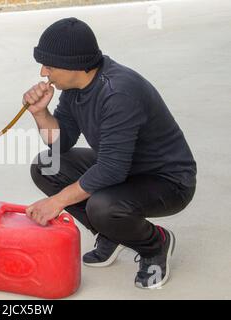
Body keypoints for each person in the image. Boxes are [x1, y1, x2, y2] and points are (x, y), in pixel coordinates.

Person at [24, 17, 196, 289]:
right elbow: (61, 143)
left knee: (102, 206)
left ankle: (155, 244)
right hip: (124, 167)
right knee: (47, 165)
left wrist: (56, 201)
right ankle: (111, 233)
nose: (44, 73)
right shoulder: (75, 87)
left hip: (168, 180)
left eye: (50, 65)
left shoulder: (118, 93)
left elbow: (111, 170)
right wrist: (40, 113)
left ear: (76, 66)